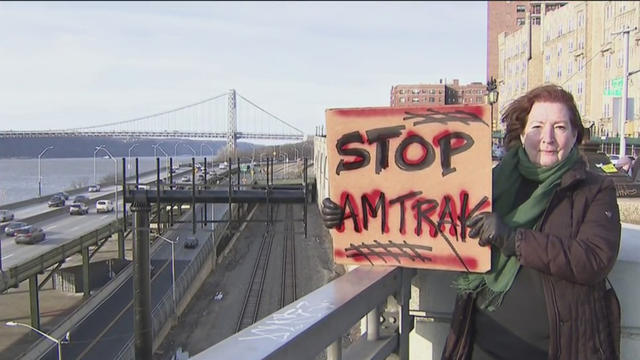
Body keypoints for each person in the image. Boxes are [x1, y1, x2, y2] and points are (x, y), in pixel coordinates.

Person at [321, 84, 621, 359]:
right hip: (481, 345)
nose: (548, 138)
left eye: (560, 127)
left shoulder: (594, 190)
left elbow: (593, 259)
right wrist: (352, 217)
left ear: (575, 135)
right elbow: (425, 225)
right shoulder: (489, 183)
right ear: (522, 133)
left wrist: (512, 239)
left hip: (558, 350)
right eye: (537, 127)